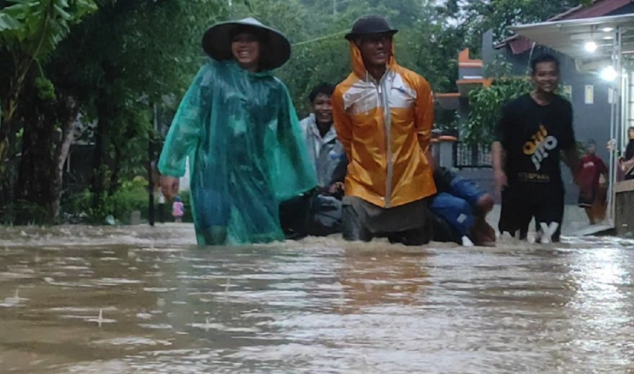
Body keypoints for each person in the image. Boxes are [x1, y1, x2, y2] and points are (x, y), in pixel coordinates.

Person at [157, 18, 317, 246]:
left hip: (255, 175)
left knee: (262, 240)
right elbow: (187, 122)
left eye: (250, 39)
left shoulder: (274, 89)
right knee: (216, 236)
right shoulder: (211, 76)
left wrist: (304, 182)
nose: (243, 45)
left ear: (262, 45)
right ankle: (216, 282)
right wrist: (170, 168)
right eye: (237, 40)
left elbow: (288, 137)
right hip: (212, 173)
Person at [332, 15, 437, 246]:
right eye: (372, 41)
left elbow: (423, 134)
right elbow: (347, 139)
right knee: (354, 260)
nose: (380, 45)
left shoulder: (415, 84)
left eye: (385, 39)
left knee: (416, 266)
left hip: (410, 186)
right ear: (357, 45)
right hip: (362, 188)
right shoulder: (344, 93)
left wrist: (416, 170)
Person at [492, 53, 582, 244]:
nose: (547, 79)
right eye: (542, 75)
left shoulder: (563, 108)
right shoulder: (514, 108)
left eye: (552, 74)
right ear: (532, 77)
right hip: (517, 187)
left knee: (549, 244)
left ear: (558, 76)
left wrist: (579, 173)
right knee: (511, 242)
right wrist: (498, 171)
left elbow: (569, 146)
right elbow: (499, 142)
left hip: (550, 189)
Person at [298, 83, 346, 236]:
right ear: (312, 106)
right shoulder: (299, 130)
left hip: (336, 195)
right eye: (320, 103)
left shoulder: (346, 132)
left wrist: (342, 183)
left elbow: (356, 164)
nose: (325, 109)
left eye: (330, 104)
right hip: (303, 195)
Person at [577, 140, 608, 225]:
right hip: (584, 186)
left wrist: (604, 180)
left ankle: (597, 218)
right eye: (590, 147)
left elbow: (604, 170)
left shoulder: (597, 160)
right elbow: (577, 171)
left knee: (593, 203)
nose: (591, 149)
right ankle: (591, 220)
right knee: (585, 204)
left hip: (594, 186)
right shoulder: (583, 160)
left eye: (593, 147)